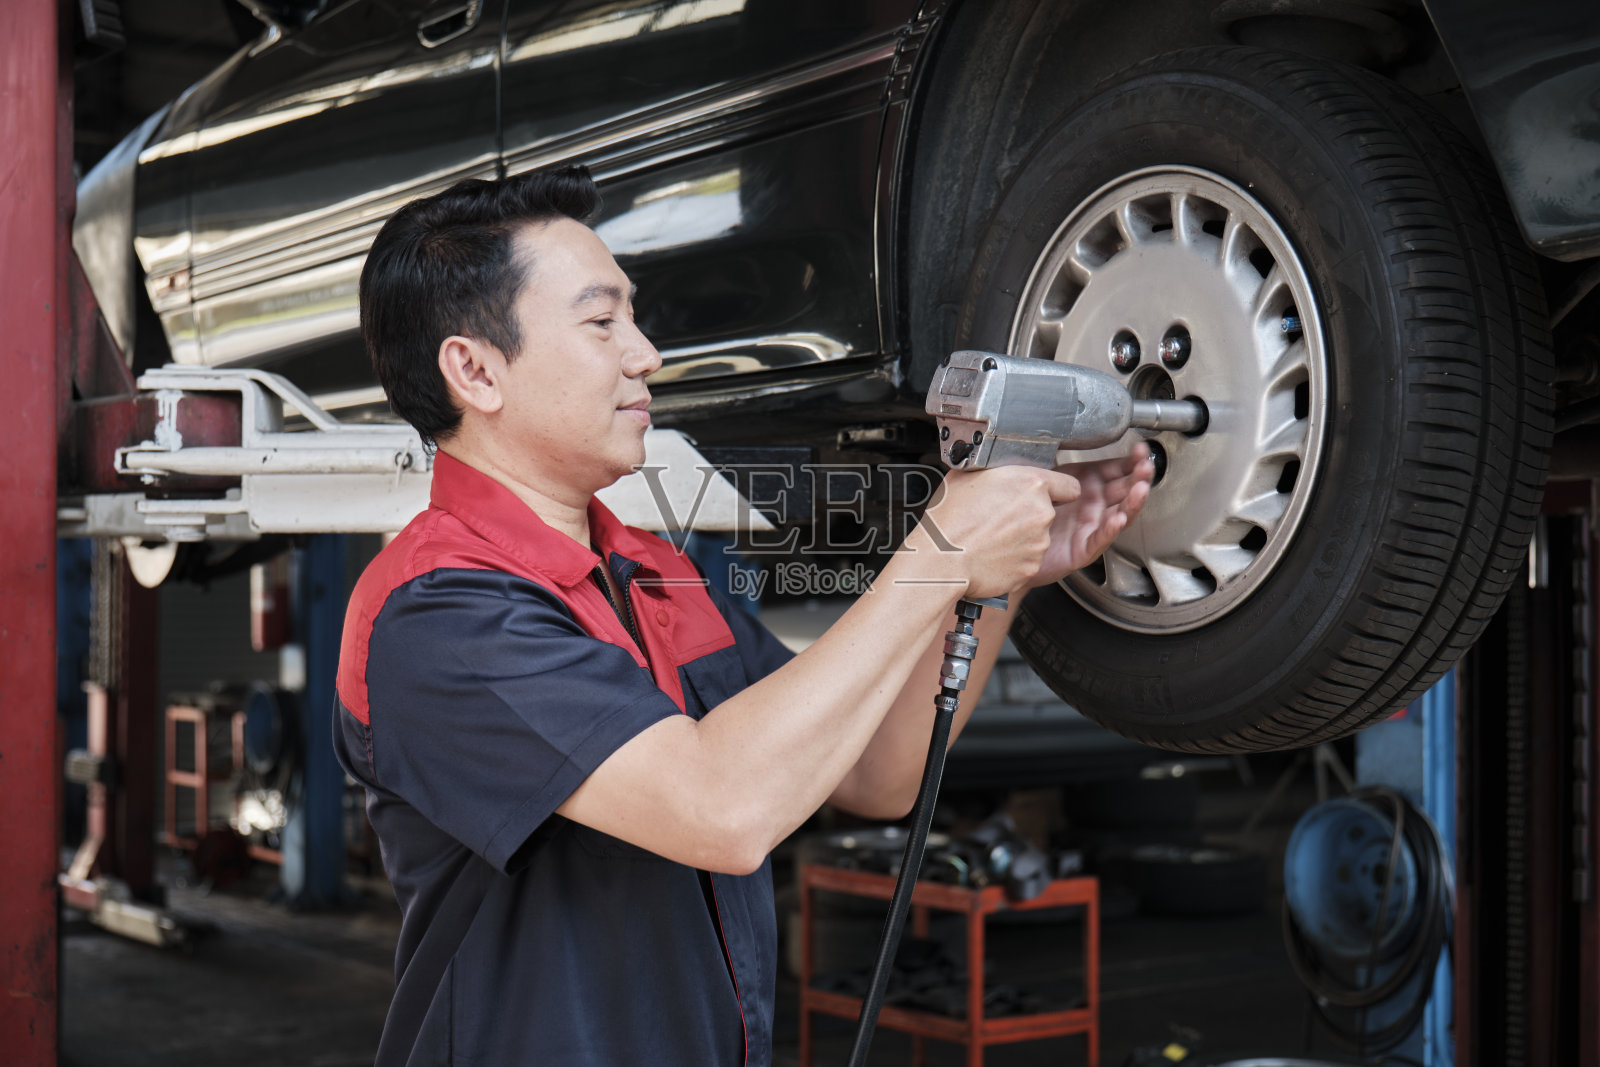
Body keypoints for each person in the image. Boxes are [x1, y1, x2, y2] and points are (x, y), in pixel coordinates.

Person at [333, 166, 1153, 1066]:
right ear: (476, 370)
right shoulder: (436, 614)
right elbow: (722, 808)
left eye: (635, 318)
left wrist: (1002, 574)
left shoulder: (654, 572)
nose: (646, 354)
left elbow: (877, 772)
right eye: (602, 322)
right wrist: (941, 550)